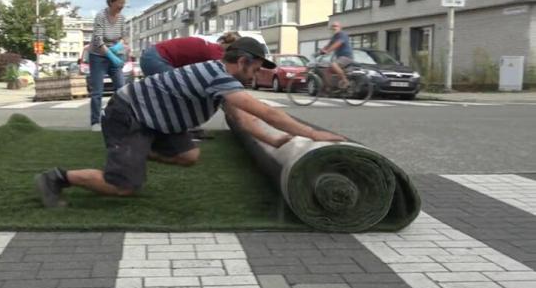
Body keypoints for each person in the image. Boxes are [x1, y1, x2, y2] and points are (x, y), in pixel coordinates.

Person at [35, 37, 345, 208]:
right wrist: (314, 134)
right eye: (259, 67)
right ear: (243, 62)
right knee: (124, 187)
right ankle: (56, 178)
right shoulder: (217, 75)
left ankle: (139, 152)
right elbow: (267, 113)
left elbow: (245, 120)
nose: (260, 73)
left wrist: (276, 142)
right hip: (128, 115)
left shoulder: (222, 79)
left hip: (155, 121)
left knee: (189, 155)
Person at [89, 0, 131, 132]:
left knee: (122, 89)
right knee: (97, 92)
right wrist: (110, 54)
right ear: (112, 1)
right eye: (120, 2)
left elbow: (125, 37)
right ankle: (95, 121)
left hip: (114, 55)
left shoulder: (122, 18)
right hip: (98, 56)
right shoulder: (101, 16)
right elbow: (97, 39)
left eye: (124, 3)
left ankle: (121, 119)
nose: (122, 5)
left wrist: (120, 47)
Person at [139, 32, 240, 76]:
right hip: (158, 58)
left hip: (153, 54)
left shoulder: (212, 47)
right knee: (175, 89)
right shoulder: (218, 54)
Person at [319, 21, 353, 88]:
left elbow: (337, 44)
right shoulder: (334, 37)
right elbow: (328, 45)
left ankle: (345, 81)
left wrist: (327, 51)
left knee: (334, 64)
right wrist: (321, 51)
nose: (334, 28)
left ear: (340, 28)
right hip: (340, 58)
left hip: (346, 57)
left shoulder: (342, 35)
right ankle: (331, 88)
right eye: (333, 26)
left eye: (336, 26)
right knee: (326, 71)